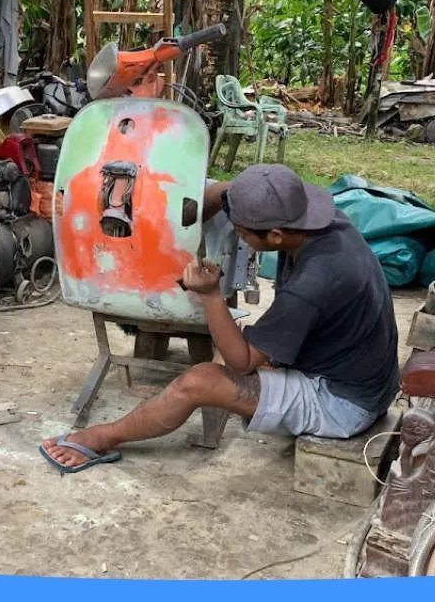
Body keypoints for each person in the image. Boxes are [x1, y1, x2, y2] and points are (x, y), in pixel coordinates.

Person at [40, 164, 401, 473]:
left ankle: (103, 437)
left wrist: (211, 295)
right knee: (244, 339)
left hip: (345, 403)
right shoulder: (317, 220)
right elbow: (230, 192)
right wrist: (198, 215)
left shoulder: (316, 280)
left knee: (200, 380)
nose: (237, 235)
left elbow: (240, 363)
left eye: (241, 232)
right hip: (364, 374)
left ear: (274, 235)